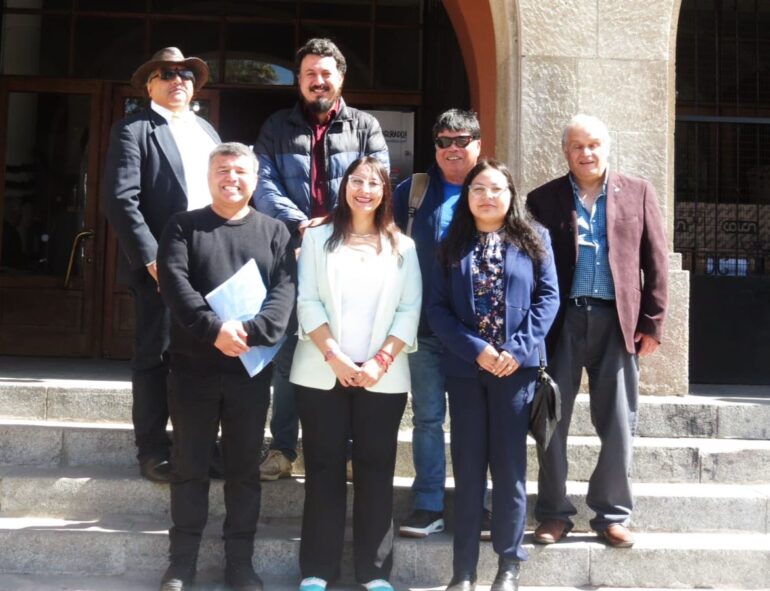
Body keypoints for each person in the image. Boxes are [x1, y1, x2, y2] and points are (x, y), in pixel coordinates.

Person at [156, 142, 296, 591]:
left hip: (248, 374)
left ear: (254, 180)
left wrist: (250, 334)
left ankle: (240, 563)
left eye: (239, 171)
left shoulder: (275, 232)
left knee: (243, 472)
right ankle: (181, 564)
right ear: (209, 176)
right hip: (192, 369)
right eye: (222, 170)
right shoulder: (183, 226)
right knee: (189, 467)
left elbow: (284, 295)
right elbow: (175, 285)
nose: (231, 178)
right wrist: (214, 330)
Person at [527, 114, 669, 548]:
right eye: (577, 146)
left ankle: (611, 514)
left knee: (619, 422)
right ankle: (553, 513)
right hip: (561, 323)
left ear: (606, 148)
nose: (586, 153)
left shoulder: (638, 192)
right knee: (551, 420)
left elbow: (656, 260)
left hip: (618, 322)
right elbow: (530, 268)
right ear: (565, 151)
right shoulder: (542, 199)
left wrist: (652, 322)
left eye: (593, 145)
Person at [253, 37, 389, 481]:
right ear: (299, 80)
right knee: (288, 354)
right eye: (309, 74)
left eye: (326, 73)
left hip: (349, 256)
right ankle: (283, 448)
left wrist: (330, 223)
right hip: (289, 254)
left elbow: (377, 181)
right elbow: (263, 184)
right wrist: (302, 225)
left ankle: (346, 451)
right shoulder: (277, 126)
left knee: (349, 346)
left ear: (340, 78)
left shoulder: (365, 126)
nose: (318, 81)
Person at [289, 156, 421, 591]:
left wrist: (380, 360)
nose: (364, 190)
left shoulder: (403, 247)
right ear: (344, 186)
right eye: (357, 181)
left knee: (376, 470)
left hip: (383, 376)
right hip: (321, 371)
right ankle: (317, 570)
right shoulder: (317, 238)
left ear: (385, 192)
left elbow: (409, 310)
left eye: (374, 183)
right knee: (323, 469)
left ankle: (375, 572)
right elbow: (307, 301)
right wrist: (335, 356)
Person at [427, 159, 559, 591]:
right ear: (467, 197)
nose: (487, 196)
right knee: (468, 471)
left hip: (516, 373)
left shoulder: (535, 238)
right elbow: (437, 310)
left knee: (510, 470)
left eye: (496, 189)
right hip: (467, 372)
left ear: (511, 195)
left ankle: (509, 565)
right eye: (478, 189)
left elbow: (548, 300)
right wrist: (477, 350)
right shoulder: (450, 243)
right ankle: (463, 571)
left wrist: (514, 351)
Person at [102, 47, 220, 482]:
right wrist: (152, 258)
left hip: (210, 261)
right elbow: (121, 200)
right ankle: (152, 450)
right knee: (156, 356)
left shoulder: (207, 130)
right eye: (167, 74)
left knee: (206, 358)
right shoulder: (133, 129)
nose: (178, 80)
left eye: (185, 74)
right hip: (160, 265)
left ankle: (201, 447)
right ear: (149, 85)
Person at [393, 109, 492, 538]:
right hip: (424, 329)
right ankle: (428, 504)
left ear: (478, 144)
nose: (453, 148)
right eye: (444, 141)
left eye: (462, 140)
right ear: (434, 147)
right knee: (428, 419)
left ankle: (477, 505)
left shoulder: (492, 188)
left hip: (476, 335)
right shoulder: (413, 191)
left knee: (474, 423)